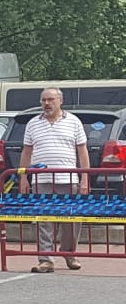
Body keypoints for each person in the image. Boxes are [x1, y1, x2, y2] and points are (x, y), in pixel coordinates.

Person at [19, 87, 89, 272]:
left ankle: (69, 253)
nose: (46, 103)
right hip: (41, 179)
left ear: (60, 100)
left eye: (50, 99)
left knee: (72, 220)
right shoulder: (33, 123)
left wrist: (85, 179)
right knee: (44, 220)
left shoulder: (74, 121)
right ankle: (46, 260)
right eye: (43, 100)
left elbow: (82, 152)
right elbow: (27, 152)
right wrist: (23, 179)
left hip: (68, 179)